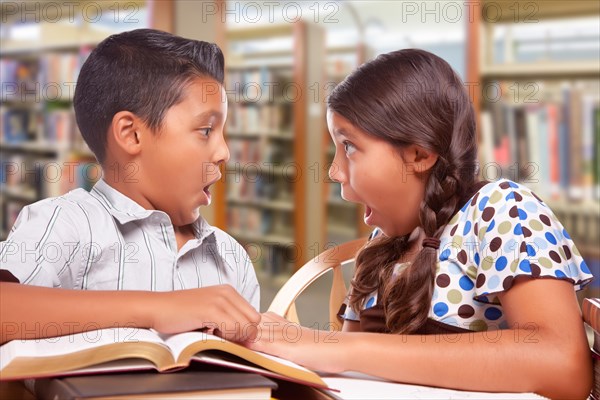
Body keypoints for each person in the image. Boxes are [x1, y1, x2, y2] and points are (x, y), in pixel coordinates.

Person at [245, 49, 594, 399]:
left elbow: (562, 365)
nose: (334, 171)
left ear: (420, 155)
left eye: (349, 146)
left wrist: (340, 347)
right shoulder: (381, 244)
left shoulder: (503, 209)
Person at [0, 29, 260, 345]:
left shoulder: (231, 257)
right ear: (131, 134)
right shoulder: (66, 224)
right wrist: (156, 309)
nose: (224, 153)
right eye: (206, 130)